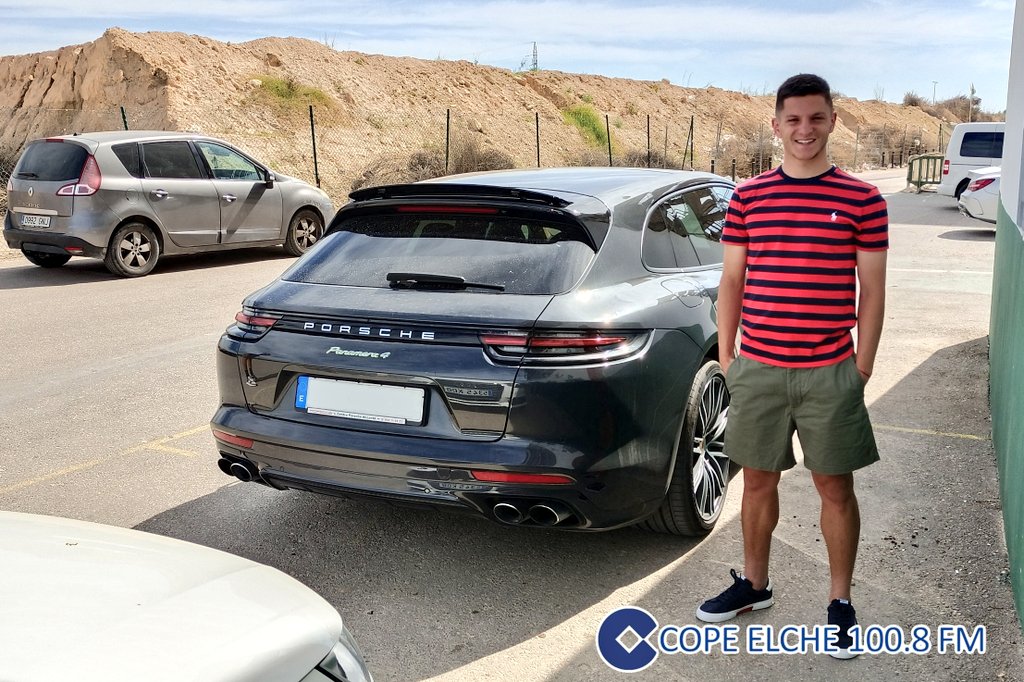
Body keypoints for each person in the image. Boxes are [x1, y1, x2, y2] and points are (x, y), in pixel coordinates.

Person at [694, 73, 888, 660]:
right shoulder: (749, 198)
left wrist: (862, 366)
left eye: (816, 118)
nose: (805, 130)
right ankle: (755, 585)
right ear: (776, 126)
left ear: (833, 121)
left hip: (830, 370)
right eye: (793, 120)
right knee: (756, 481)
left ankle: (840, 604)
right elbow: (732, 280)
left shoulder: (863, 200)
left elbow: (872, 290)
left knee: (835, 487)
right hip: (758, 368)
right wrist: (728, 357)